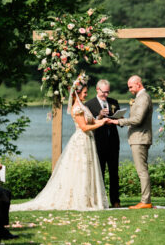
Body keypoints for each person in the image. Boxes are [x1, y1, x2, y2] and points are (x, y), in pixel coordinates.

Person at [13, 75, 108, 210]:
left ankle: (89, 199)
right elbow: (84, 127)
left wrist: (104, 120)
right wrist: (101, 124)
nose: (86, 95)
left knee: (88, 168)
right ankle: (78, 199)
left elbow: (92, 121)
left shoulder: (84, 107)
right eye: (85, 92)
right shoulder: (77, 108)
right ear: (77, 93)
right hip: (81, 141)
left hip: (88, 140)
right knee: (80, 169)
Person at [110, 75, 154, 209]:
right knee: (142, 170)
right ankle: (146, 200)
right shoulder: (140, 97)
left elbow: (138, 120)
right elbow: (136, 118)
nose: (129, 89)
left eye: (131, 87)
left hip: (140, 138)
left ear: (138, 84)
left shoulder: (143, 97)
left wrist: (118, 121)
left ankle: (145, 201)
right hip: (138, 137)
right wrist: (124, 118)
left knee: (142, 171)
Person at [85, 79, 122, 208]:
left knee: (114, 173)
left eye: (108, 92)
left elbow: (118, 120)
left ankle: (115, 200)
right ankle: (100, 199)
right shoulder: (89, 104)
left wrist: (119, 118)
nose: (106, 95)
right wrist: (100, 116)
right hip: (98, 142)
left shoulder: (113, 102)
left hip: (113, 142)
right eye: (104, 92)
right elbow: (88, 124)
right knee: (99, 172)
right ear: (97, 90)